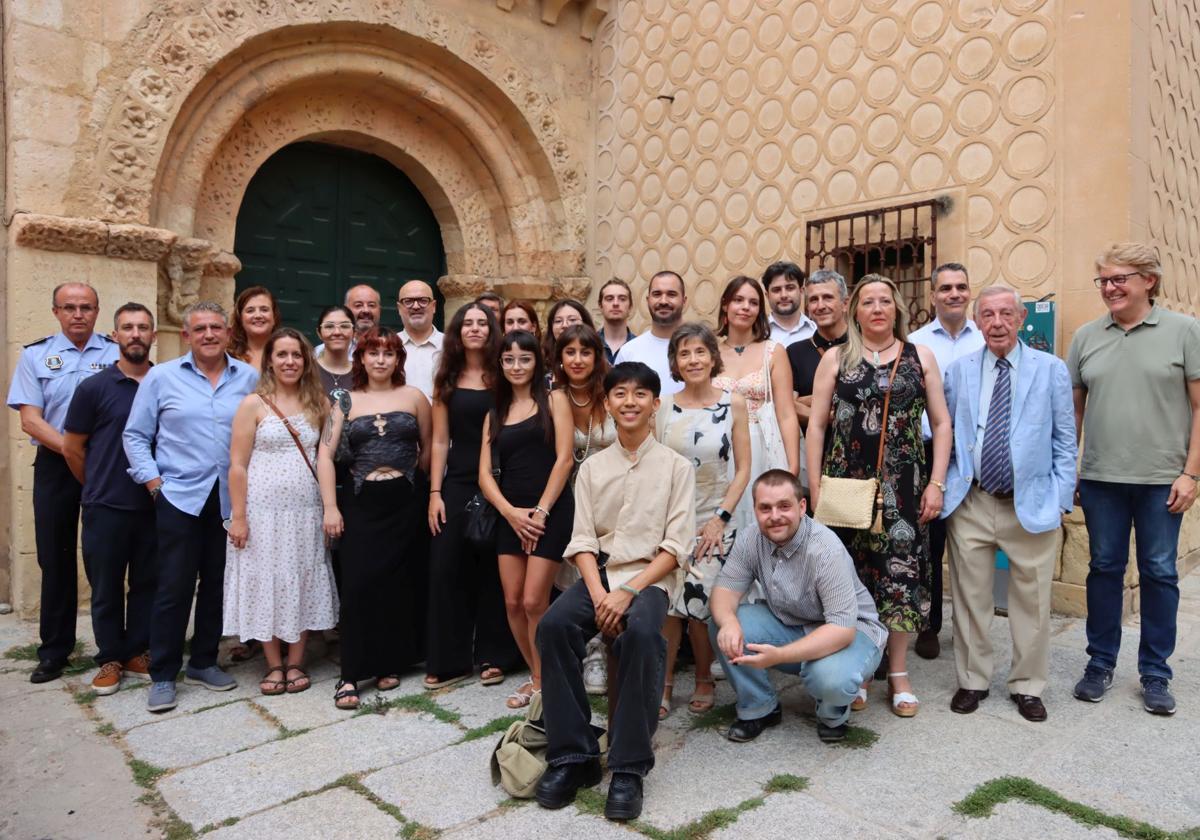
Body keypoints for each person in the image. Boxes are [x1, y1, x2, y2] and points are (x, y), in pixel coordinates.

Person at [534, 362, 696, 821]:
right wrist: (600, 591)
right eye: (620, 394)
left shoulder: (676, 468)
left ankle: (628, 766)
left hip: (650, 576)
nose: (630, 402)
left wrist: (626, 592)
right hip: (599, 575)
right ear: (607, 403)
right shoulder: (591, 469)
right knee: (555, 625)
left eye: (640, 394)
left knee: (643, 633)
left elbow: (675, 547)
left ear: (655, 404)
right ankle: (574, 754)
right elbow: (583, 540)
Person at [806, 274, 951, 718]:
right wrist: (814, 487)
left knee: (900, 576)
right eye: (867, 302)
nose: (876, 309)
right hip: (845, 486)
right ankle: (861, 668)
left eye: (884, 301)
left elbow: (942, 424)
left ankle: (899, 672)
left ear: (896, 308)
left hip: (903, 488)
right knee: (852, 577)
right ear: (856, 311)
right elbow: (816, 425)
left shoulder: (919, 356)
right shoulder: (836, 358)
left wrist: (937, 483)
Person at [1068, 242, 1200, 716]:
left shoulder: (1185, 331)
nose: (1110, 287)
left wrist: (1191, 474)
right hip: (1101, 478)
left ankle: (1155, 673)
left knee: (1159, 572)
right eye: (1103, 280)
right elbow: (1075, 414)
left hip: (1162, 480)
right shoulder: (1085, 337)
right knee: (1103, 569)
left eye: (1119, 278)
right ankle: (1100, 663)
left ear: (1149, 280)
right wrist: (1072, 471)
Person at [941, 286, 1076, 722]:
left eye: (1005, 314)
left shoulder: (1050, 369)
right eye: (987, 315)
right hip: (973, 501)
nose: (996, 322)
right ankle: (973, 680)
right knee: (969, 597)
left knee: (1032, 600)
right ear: (977, 321)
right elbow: (948, 433)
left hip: (1031, 502)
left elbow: (1065, 441)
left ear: (1020, 319)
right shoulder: (959, 371)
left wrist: (1061, 499)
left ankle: (1028, 685)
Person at [124, 302, 259, 713]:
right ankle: (164, 673)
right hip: (179, 497)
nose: (208, 335)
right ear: (186, 335)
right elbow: (135, 435)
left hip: (230, 500)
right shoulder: (162, 377)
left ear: (227, 332)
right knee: (174, 586)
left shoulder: (249, 377)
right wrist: (154, 484)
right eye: (199, 329)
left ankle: (203, 661)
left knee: (218, 585)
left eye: (216, 327)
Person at [708, 470, 887, 744]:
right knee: (722, 623)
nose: (774, 516)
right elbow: (724, 591)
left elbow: (841, 629)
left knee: (829, 679)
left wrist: (778, 656)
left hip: (852, 631)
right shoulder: (750, 538)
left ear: (802, 506)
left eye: (784, 506)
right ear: (755, 509)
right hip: (793, 625)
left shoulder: (826, 549)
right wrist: (729, 623)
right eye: (765, 508)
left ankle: (832, 713)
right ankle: (760, 708)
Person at [7, 282, 119, 683]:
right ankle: (55, 650)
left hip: (105, 466)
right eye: (69, 307)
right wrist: (74, 451)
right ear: (55, 311)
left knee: (103, 558)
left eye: (86, 307)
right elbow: (30, 419)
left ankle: (113, 650)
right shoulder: (37, 355)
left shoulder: (116, 352)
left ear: (97, 311)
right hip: (57, 466)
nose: (78, 315)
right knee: (54, 558)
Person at [318, 327, 432, 710]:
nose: (381, 359)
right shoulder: (344, 402)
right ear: (361, 359)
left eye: (388, 353)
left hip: (405, 501)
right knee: (358, 585)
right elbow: (324, 455)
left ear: (398, 359)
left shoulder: (415, 397)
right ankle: (350, 673)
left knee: (398, 584)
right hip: (362, 502)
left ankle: (389, 662)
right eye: (373, 353)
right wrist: (331, 508)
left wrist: (423, 490)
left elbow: (430, 446)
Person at [225, 328, 339, 697]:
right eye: (282, 355)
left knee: (302, 576)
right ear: (270, 360)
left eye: (296, 355)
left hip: (305, 510)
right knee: (268, 580)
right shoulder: (253, 404)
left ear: (306, 361)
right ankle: (273, 663)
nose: (289, 362)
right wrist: (238, 516)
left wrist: (329, 508)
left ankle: (297, 660)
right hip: (262, 512)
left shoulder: (319, 403)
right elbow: (238, 465)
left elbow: (325, 459)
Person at [656, 323, 751, 719]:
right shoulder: (661, 406)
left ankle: (702, 679)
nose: (692, 360)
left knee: (698, 601)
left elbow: (743, 469)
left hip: (714, 519)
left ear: (713, 357)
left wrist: (719, 519)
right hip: (670, 518)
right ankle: (660, 685)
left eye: (700, 352)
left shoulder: (735, 403)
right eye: (684, 353)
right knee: (665, 602)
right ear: (675, 362)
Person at [61, 302, 156, 695]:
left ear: (153, 335)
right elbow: (72, 447)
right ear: (114, 336)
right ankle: (109, 658)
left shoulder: (165, 382)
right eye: (127, 328)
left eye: (143, 328)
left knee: (148, 583)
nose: (135, 334)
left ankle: (138, 650)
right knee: (106, 585)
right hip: (105, 505)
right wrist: (97, 485)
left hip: (154, 505)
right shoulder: (94, 387)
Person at [425, 304, 521, 690]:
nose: (476, 329)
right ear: (457, 331)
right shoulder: (446, 377)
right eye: (469, 323)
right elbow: (438, 439)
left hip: (501, 480)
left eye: (483, 323)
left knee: (495, 572)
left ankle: (496, 656)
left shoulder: (504, 374)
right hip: (458, 481)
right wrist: (435, 491)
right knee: (446, 567)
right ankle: (450, 660)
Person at [479, 330, 575, 709]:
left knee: (536, 601)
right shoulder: (494, 412)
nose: (516, 366)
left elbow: (565, 459)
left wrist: (541, 512)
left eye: (524, 359)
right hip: (510, 514)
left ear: (538, 362)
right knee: (513, 602)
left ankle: (542, 681)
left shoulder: (555, 400)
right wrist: (510, 513)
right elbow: (484, 474)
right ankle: (536, 674)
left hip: (549, 510)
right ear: (500, 365)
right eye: (508, 360)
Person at [908, 263, 985, 660]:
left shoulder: (986, 338)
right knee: (929, 546)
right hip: (927, 453)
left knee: (974, 546)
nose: (954, 294)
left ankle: (974, 630)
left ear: (969, 292)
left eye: (961, 286)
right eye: (945, 288)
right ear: (932, 295)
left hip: (977, 455)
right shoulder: (915, 343)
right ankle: (929, 625)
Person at [553, 324, 617, 696]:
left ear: (597, 356)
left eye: (585, 352)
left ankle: (607, 648)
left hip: (615, 492)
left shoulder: (612, 391)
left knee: (612, 568)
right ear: (560, 358)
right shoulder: (556, 397)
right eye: (570, 352)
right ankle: (588, 651)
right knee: (578, 571)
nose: (578, 360)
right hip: (574, 494)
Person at [713, 275, 801, 530]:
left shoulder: (773, 351)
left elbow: (786, 413)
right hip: (722, 445)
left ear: (760, 311)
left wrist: (791, 465)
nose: (745, 307)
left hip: (763, 445)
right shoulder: (710, 352)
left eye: (753, 302)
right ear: (725, 305)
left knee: (766, 518)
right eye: (738, 300)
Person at [787, 269, 850, 432]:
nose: (820, 306)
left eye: (828, 297)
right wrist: (829, 416)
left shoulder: (864, 346)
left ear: (845, 304)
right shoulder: (795, 352)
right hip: (813, 451)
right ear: (808, 308)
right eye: (814, 300)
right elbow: (788, 407)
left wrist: (805, 401)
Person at [614, 270, 687, 396]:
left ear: (684, 300)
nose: (663, 301)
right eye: (657, 294)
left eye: (671, 294)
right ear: (648, 300)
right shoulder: (628, 352)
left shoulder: (699, 351)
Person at [397, 280, 443, 402]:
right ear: (399, 308)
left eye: (423, 300)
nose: (416, 306)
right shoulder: (387, 347)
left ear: (433, 306)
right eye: (408, 301)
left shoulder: (451, 345)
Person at [315, 284, 381, 358]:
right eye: (358, 305)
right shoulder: (320, 353)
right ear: (346, 309)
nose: (366, 310)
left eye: (371, 305)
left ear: (379, 310)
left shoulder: (393, 348)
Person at [762, 261, 815, 347]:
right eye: (776, 290)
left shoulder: (815, 331)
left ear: (801, 291)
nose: (784, 295)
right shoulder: (758, 334)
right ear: (767, 295)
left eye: (790, 288)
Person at [228, 286, 279, 371]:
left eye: (264, 310)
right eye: (250, 311)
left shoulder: (288, 356)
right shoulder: (227, 357)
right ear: (240, 319)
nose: (258, 315)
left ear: (274, 317)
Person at [314, 304, 355, 407]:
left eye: (345, 326)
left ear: (354, 332)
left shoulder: (363, 372)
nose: (337, 332)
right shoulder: (307, 370)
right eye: (329, 326)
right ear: (319, 333)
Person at [542, 300, 596, 379]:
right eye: (558, 321)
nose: (564, 325)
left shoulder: (598, 356)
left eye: (572, 320)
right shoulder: (541, 359)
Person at [598, 279, 637, 364]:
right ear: (600, 306)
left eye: (622, 299)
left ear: (630, 306)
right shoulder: (590, 344)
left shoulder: (640, 346)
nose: (615, 303)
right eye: (609, 299)